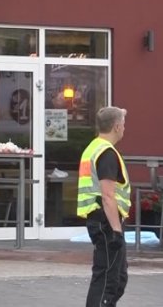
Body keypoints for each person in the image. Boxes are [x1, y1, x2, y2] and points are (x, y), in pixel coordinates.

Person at [77, 105, 130, 307]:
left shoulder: (94, 148)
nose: (125, 128)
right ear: (117, 126)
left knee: (117, 279)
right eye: (123, 124)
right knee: (107, 280)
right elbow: (108, 195)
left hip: (101, 219)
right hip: (106, 221)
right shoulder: (107, 153)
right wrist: (116, 230)